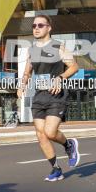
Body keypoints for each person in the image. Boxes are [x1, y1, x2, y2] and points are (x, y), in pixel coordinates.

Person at [17, 15, 81, 182]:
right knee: (40, 134)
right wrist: (22, 84)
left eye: (40, 25)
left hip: (56, 94)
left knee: (50, 132)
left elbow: (74, 66)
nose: (36, 28)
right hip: (39, 95)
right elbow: (27, 71)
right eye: (34, 25)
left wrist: (60, 78)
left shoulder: (58, 46)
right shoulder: (32, 49)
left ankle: (69, 145)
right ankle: (56, 169)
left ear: (49, 28)